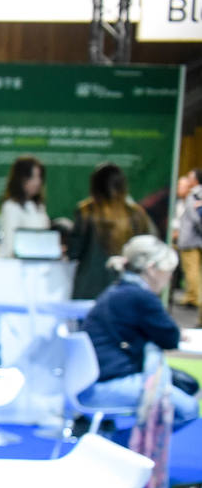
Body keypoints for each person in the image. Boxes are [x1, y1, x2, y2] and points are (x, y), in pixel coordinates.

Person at [79, 235, 198, 429]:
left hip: (94, 377)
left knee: (186, 383)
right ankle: (125, 447)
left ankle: (122, 445)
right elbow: (170, 337)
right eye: (168, 272)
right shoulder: (139, 296)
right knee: (188, 408)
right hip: (105, 383)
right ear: (152, 269)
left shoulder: (118, 289)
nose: (169, 279)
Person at [67, 162, 153, 300]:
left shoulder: (85, 211)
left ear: (94, 184)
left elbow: (74, 252)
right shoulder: (136, 214)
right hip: (125, 287)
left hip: (89, 287)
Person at [0, 155, 50, 258]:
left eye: (39, 177)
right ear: (21, 179)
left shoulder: (38, 206)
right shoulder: (11, 206)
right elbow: (11, 246)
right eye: (32, 177)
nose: (37, 182)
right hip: (18, 266)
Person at [172, 168, 202, 312]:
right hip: (196, 239)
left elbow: (195, 218)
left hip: (190, 239)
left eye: (190, 178)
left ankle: (194, 298)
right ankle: (192, 296)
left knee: (191, 270)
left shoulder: (194, 195)